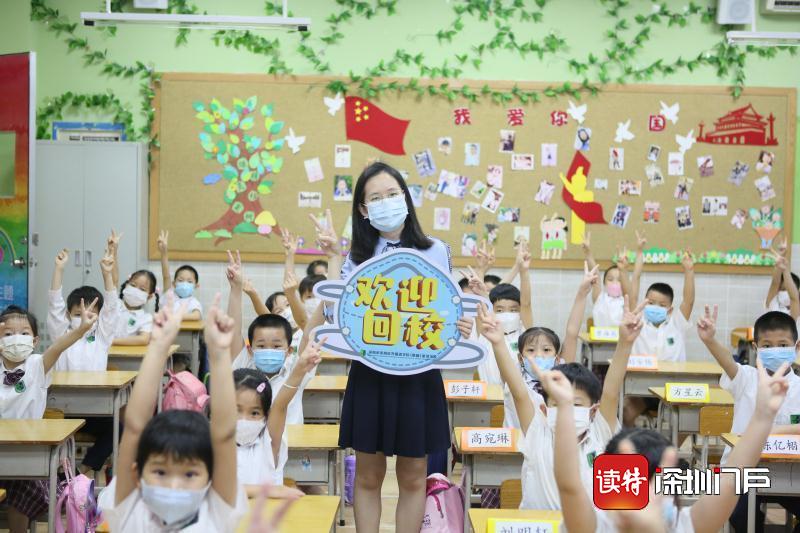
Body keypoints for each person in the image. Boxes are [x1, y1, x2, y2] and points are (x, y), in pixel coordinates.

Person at [318, 161, 472, 532]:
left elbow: (446, 309)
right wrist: (333, 256)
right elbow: (335, 315)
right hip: (370, 372)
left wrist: (460, 325)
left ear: (405, 197)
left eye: (392, 193)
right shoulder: (357, 257)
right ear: (363, 209)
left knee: (415, 474)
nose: (385, 202)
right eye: (375, 198)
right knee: (368, 475)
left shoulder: (437, 250)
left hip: (419, 374)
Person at [552, 355, 791, 533]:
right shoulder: (594, 525)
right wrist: (564, 407)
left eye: (656, 485)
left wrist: (763, 417)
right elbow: (568, 484)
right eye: (632, 485)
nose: (646, 498)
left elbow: (731, 480)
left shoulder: (682, 525)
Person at [477, 293, 643, 510]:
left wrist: (625, 344)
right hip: (539, 525)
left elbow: (611, 392)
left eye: (576, 404)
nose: (567, 411)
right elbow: (518, 391)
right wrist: (498, 342)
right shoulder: (538, 429)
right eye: (558, 404)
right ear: (545, 410)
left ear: (593, 411)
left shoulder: (600, 431)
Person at [98, 296, 248, 531]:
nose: (174, 486)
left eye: (190, 474)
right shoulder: (129, 507)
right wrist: (158, 347)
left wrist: (219, 355)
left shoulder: (216, 512)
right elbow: (135, 426)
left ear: (211, 477)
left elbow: (225, 434)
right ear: (136, 475)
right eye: (160, 471)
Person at [697, 306, 800, 531]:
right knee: (740, 514)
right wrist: (710, 340)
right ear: (755, 348)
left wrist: (771, 432)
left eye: (783, 345)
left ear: (796, 347)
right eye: (767, 346)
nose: (775, 351)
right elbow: (728, 362)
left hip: (792, 471)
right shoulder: (747, 378)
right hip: (743, 472)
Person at [0, 301, 97, 532]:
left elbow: (59, 346)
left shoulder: (38, 365)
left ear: (35, 341)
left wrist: (81, 330)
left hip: (29, 454)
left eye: (24, 333)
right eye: (8, 334)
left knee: (21, 489)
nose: (16, 339)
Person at [48, 247, 119, 476]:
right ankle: (58, 473)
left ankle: (83, 469)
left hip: (94, 409)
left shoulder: (101, 336)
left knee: (119, 427)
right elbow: (54, 303)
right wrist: (59, 269)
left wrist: (107, 274)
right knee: (46, 426)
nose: (85, 318)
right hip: (61, 409)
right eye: (78, 314)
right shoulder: (61, 334)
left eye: (91, 314)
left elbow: (111, 308)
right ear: (69, 315)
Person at [226, 251, 315, 425]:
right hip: (250, 437)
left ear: (289, 351)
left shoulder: (295, 369)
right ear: (250, 350)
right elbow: (233, 331)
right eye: (261, 346)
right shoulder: (244, 365)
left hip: (290, 440)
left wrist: (292, 294)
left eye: (276, 346)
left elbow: (307, 327)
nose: (269, 350)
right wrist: (235, 288)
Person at [234, 330, 324, 497]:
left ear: (265, 416)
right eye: (236, 410)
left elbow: (280, 405)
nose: (244, 419)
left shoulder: (268, 442)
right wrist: (272, 490)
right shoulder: (213, 443)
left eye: (255, 413)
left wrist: (299, 369)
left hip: (268, 513)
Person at [624, 250, 695, 426]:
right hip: (642, 388)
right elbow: (632, 294)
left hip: (673, 388)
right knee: (626, 411)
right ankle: (634, 440)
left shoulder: (677, 323)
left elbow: (688, 301)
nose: (655, 307)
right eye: (650, 303)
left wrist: (689, 271)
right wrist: (635, 265)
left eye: (662, 305)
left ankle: (669, 442)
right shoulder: (637, 321)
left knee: (690, 419)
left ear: (670, 309)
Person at [582, 230, 645, 327]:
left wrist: (640, 251)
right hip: (600, 337)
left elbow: (636, 276)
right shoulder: (599, 298)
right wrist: (587, 252)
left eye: (619, 280)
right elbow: (595, 272)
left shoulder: (629, 300)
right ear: (604, 283)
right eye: (610, 279)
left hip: (622, 337)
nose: (615, 283)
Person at [157, 229, 202, 320]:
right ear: (174, 283)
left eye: (189, 281)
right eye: (180, 280)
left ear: (196, 285)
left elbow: (196, 316)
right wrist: (164, 253)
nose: (184, 283)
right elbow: (166, 275)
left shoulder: (193, 302)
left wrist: (173, 316)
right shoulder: (169, 295)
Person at [764, 237, 800, 318]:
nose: (784, 293)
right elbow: (775, 283)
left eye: (788, 290)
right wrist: (780, 265)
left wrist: (785, 270)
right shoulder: (773, 306)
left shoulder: (795, 313)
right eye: (782, 290)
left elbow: (793, 298)